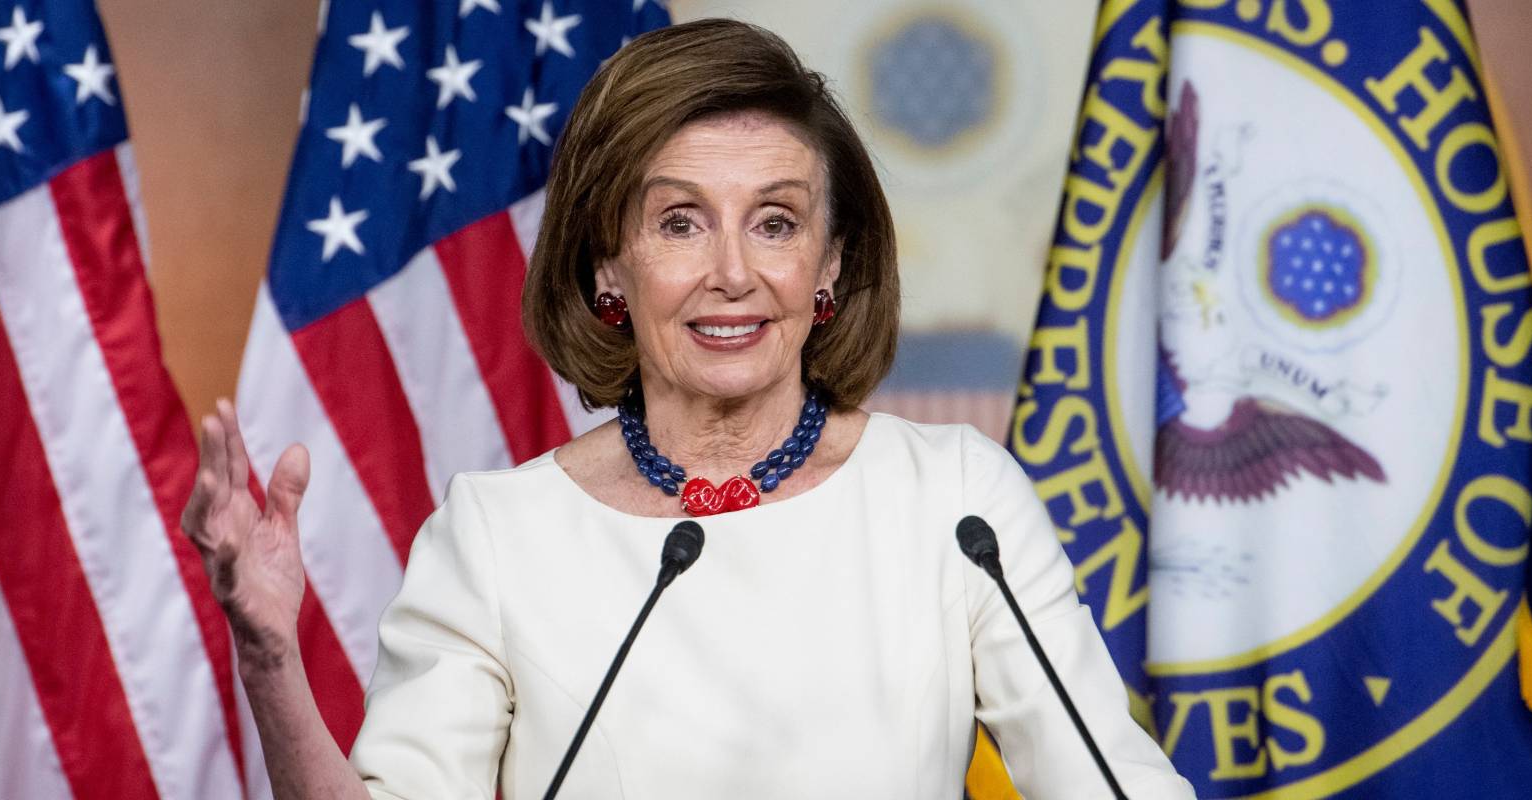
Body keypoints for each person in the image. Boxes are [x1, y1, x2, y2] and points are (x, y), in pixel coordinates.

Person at [181, 17, 1195, 800]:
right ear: (608, 265)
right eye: (679, 222)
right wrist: (269, 651)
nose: (733, 274)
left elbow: (1110, 779)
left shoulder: (954, 504)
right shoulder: (500, 534)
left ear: (831, 264)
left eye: (777, 221)